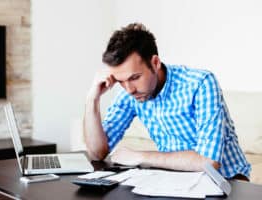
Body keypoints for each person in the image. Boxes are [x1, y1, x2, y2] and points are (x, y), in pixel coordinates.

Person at [83, 22, 251, 180]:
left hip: (227, 182)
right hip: (178, 181)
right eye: (121, 81)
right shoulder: (130, 93)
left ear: (155, 63)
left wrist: (141, 157)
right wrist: (92, 98)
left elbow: (209, 162)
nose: (129, 89)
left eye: (135, 77)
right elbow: (97, 154)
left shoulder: (200, 83)